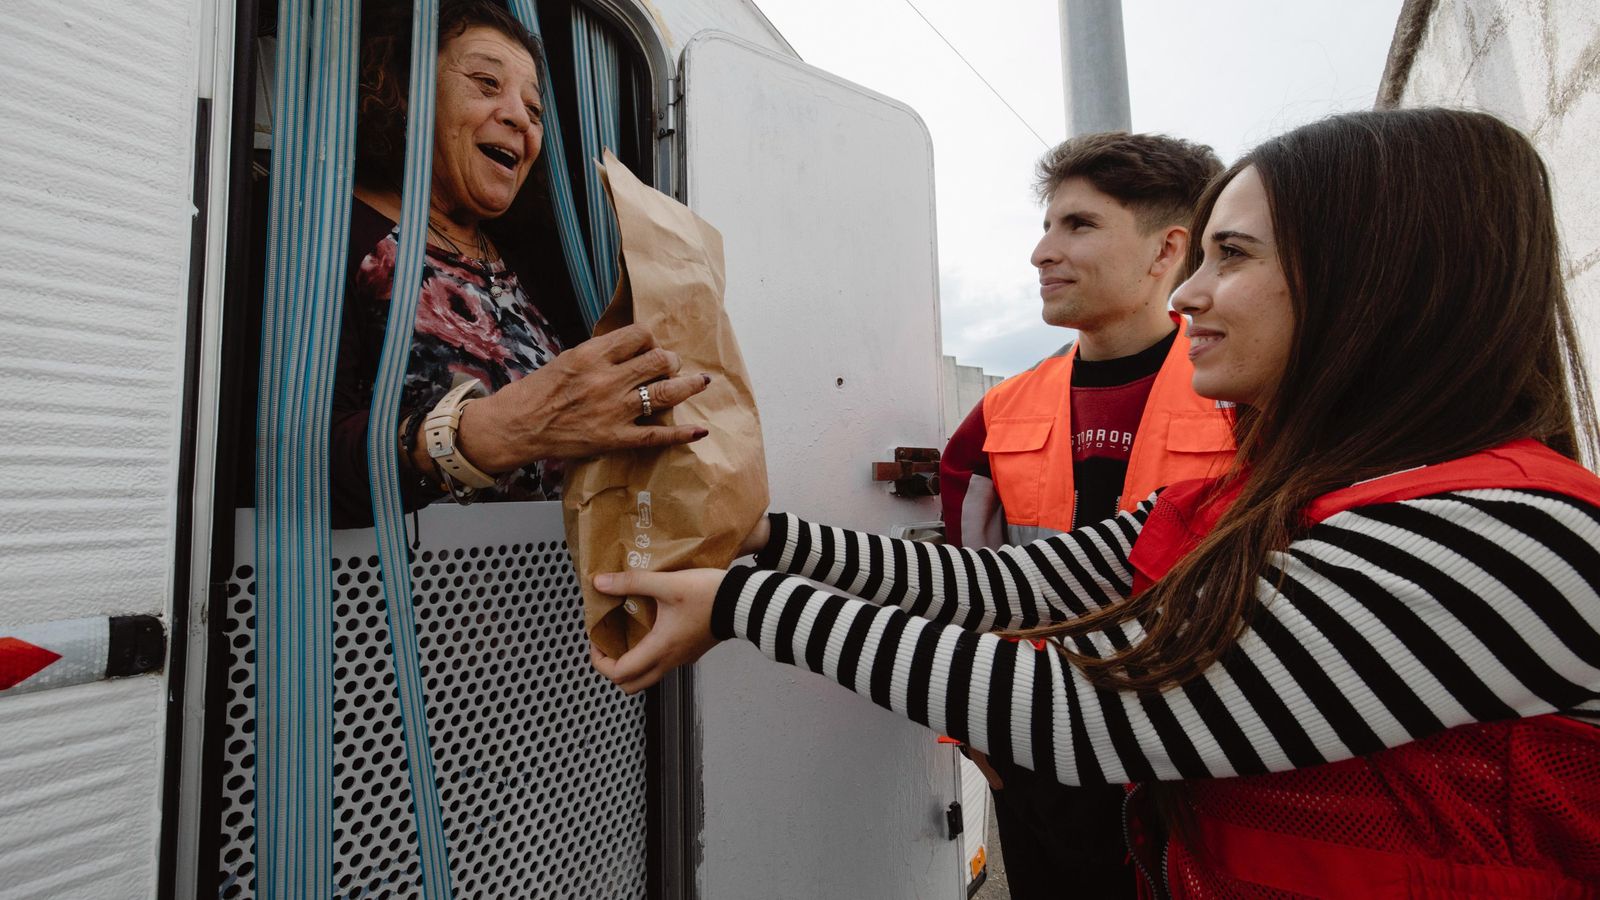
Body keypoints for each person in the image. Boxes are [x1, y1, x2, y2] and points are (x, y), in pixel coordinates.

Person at [590, 107, 1600, 896]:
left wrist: (740, 605)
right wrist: (762, 535)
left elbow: (1100, 719)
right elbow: (1009, 582)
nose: (1189, 294)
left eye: (1231, 256)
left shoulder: (1510, 538)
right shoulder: (1274, 499)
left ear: (1378, 283)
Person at [941, 133, 1228, 899]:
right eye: (1045, 226)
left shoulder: (1246, 401)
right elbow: (960, 584)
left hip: (1201, 755)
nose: (1042, 252)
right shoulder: (997, 414)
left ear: (1168, 249)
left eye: (1079, 225)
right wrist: (970, 720)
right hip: (1037, 749)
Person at [330, 0, 707, 527]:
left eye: (534, 112)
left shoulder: (542, 265)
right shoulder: (329, 234)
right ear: (407, 91)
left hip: (557, 582)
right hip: (391, 585)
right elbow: (293, 459)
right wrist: (492, 433)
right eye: (486, 83)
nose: (517, 118)